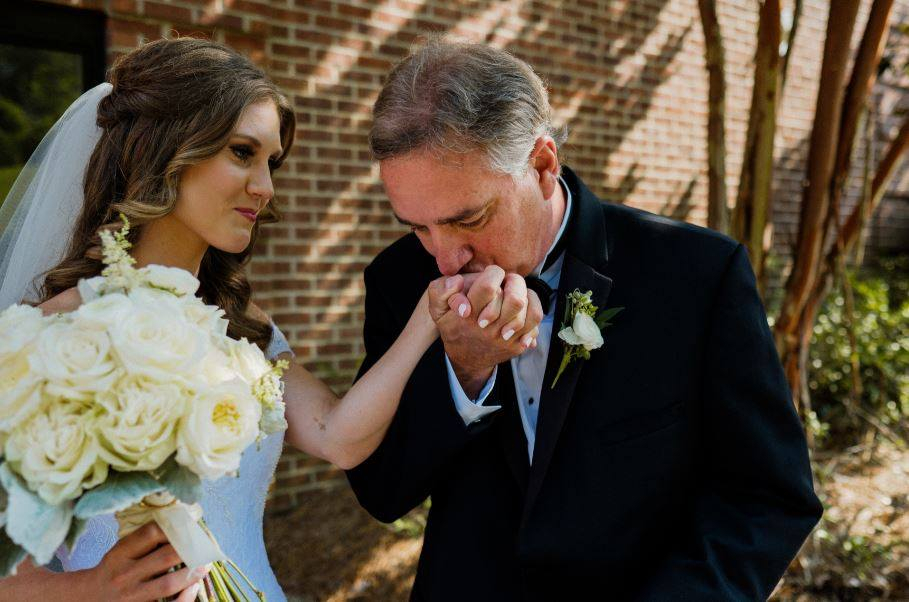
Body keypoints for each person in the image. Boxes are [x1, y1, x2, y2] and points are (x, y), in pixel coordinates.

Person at [0, 38, 541, 601]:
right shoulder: (46, 336)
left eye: (270, 161)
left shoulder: (239, 323)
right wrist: (91, 588)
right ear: (167, 151)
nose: (266, 187)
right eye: (241, 152)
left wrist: (427, 318)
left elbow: (339, 437)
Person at [345, 39, 824, 601]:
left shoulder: (697, 274)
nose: (445, 261)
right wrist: (465, 371)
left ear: (543, 165)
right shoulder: (399, 281)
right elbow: (381, 491)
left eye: (468, 219)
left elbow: (767, 495)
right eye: (418, 227)